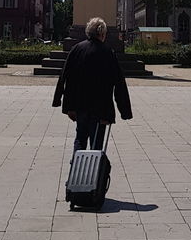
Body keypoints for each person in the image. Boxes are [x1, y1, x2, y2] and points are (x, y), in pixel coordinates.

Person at [52, 17, 132, 154]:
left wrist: (66, 105)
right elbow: (119, 83)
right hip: (100, 108)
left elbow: (65, 77)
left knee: (80, 139)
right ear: (102, 34)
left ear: (88, 32)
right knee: (97, 145)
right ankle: (94, 173)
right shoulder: (108, 53)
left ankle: (76, 171)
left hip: (80, 106)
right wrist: (124, 111)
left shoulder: (77, 49)